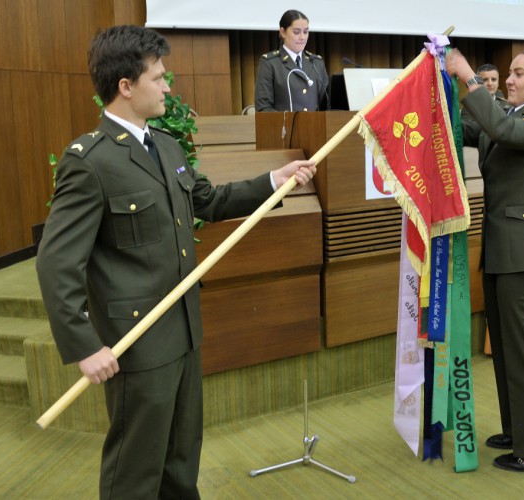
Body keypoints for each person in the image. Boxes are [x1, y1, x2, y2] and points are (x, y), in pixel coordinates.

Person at [35, 25, 316, 499]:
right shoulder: (90, 161)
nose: (168, 86)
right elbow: (56, 262)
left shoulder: (165, 145)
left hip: (184, 331)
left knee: (182, 461)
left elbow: (206, 200)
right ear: (126, 86)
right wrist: (85, 346)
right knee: (136, 470)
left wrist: (274, 179)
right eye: (159, 78)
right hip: (137, 344)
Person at [446, 47, 524, 472]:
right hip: (503, 248)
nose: (509, 80)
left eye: (518, 74)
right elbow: (470, 128)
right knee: (507, 349)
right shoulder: (512, 116)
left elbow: (499, 129)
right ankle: (518, 429)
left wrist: (467, 77)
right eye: (508, 74)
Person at [254, 10, 329, 112]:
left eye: (306, 32)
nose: (302, 37)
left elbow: (327, 105)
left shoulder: (316, 63)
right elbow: (263, 109)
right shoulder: (270, 63)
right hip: (284, 127)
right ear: (283, 32)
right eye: (296, 32)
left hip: (315, 126)